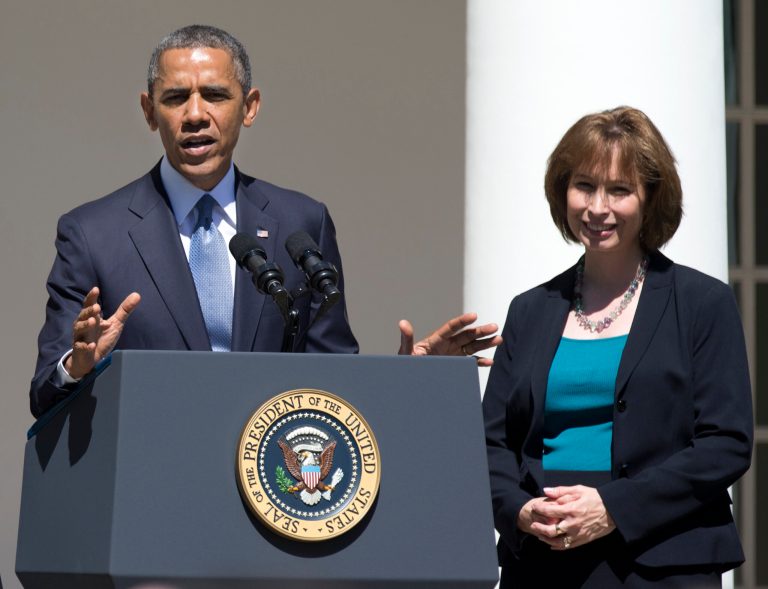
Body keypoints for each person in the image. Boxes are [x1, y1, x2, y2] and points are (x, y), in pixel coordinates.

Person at [30, 25, 500, 418]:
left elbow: (331, 380)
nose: (196, 114)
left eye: (214, 95)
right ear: (150, 112)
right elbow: (44, 392)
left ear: (249, 106)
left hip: (273, 494)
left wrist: (401, 380)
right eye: (176, 98)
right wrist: (78, 365)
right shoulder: (93, 234)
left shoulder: (301, 223)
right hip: (149, 485)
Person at [483, 106, 753, 587]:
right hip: (544, 561)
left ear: (651, 198)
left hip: (663, 562)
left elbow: (726, 443)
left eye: (619, 190)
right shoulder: (530, 310)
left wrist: (612, 507)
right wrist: (520, 510)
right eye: (584, 185)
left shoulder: (702, 303)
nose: (598, 207)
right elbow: (492, 444)